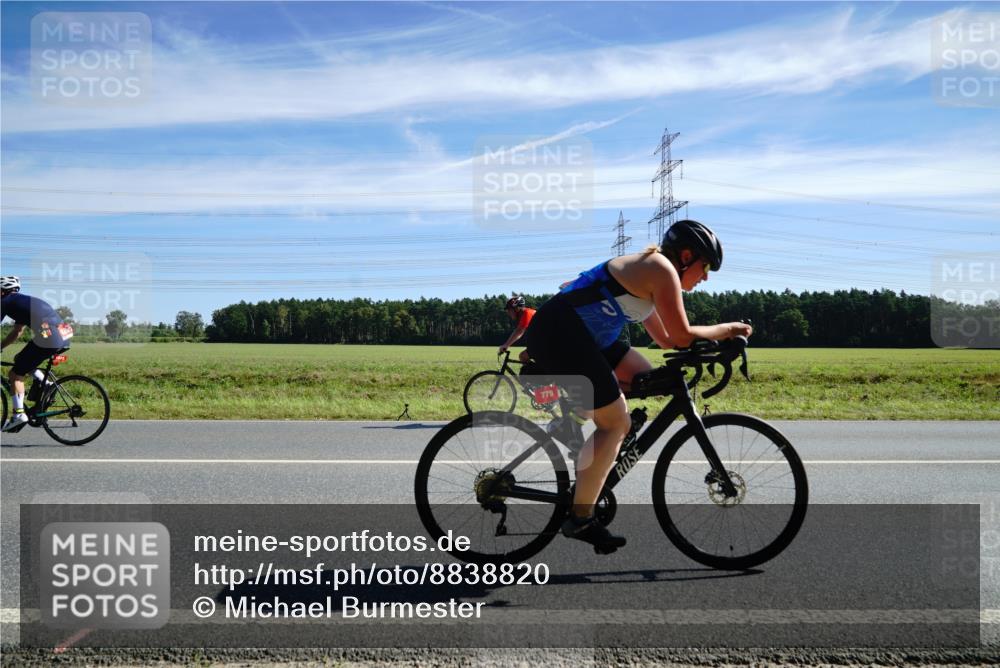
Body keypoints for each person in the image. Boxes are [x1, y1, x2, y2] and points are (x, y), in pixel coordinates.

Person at [524, 220, 752, 552]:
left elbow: (666, 340)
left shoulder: (652, 272)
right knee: (615, 422)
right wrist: (729, 329)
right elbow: (681, 335)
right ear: (686, 256)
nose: (705, 278)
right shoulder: (661, 269)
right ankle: (581, 516)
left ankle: (590, 431)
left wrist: (714, 346)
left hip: (587, 337)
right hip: (560, 334)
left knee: (647, 377)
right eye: (705, 268)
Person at [1, 276, 73, 432]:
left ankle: (18, 415)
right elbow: (17, 331)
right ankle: (46, 385)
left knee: (15, 374)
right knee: (20, 359)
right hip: (64, 333)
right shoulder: (21, 302)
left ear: (2, 291)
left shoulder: (4, 302)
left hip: (50, 336)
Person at [498, 295, 536, 364]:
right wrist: (506, 344)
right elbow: (517, 330)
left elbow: (519, 331)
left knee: (523, 356)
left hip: (548, 342)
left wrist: (506, 345)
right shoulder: (524, 315)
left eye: (509, 310)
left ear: (517, 309)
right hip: (543, 342)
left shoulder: (527, 313)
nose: (508, 313)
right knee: (523, 357)